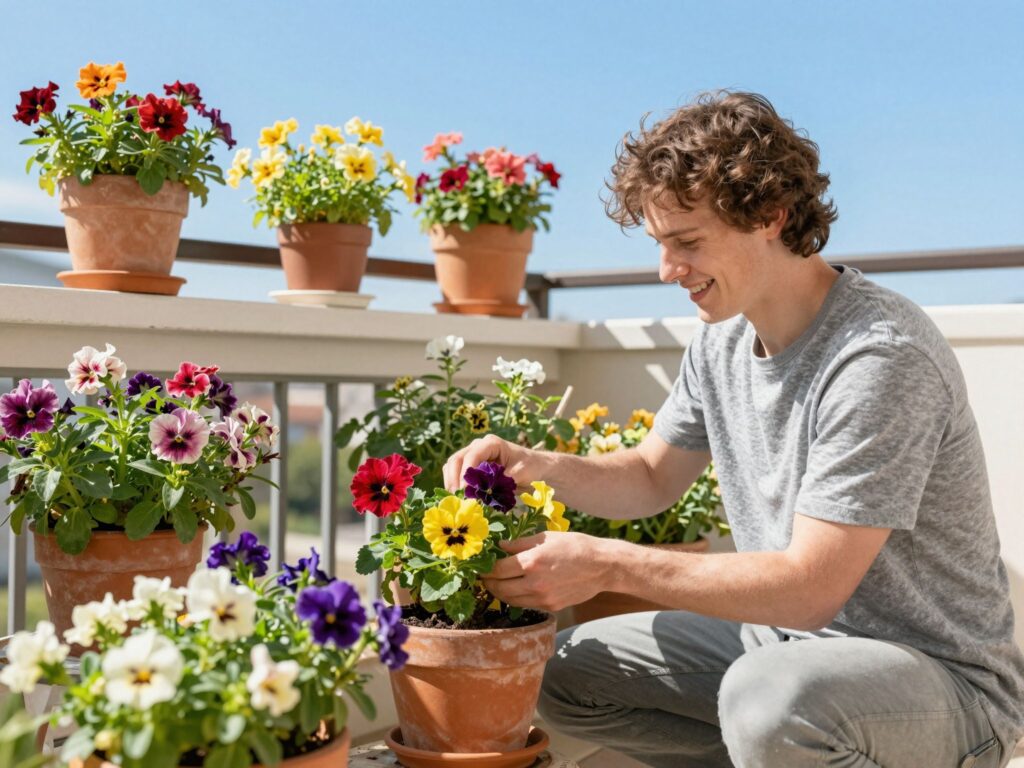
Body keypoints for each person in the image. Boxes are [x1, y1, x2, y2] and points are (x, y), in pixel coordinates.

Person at [443, 91, 1024, 768]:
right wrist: (536, 465)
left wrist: (607, 563)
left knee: (769, 704)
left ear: (771, 215)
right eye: (661, 245)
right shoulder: (720, 342)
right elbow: (649, 477)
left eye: (688, 242)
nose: (668, 271)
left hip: (944, 687)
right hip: (784, 651)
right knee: (562, 673)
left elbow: (810, 589)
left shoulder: (879, 357)